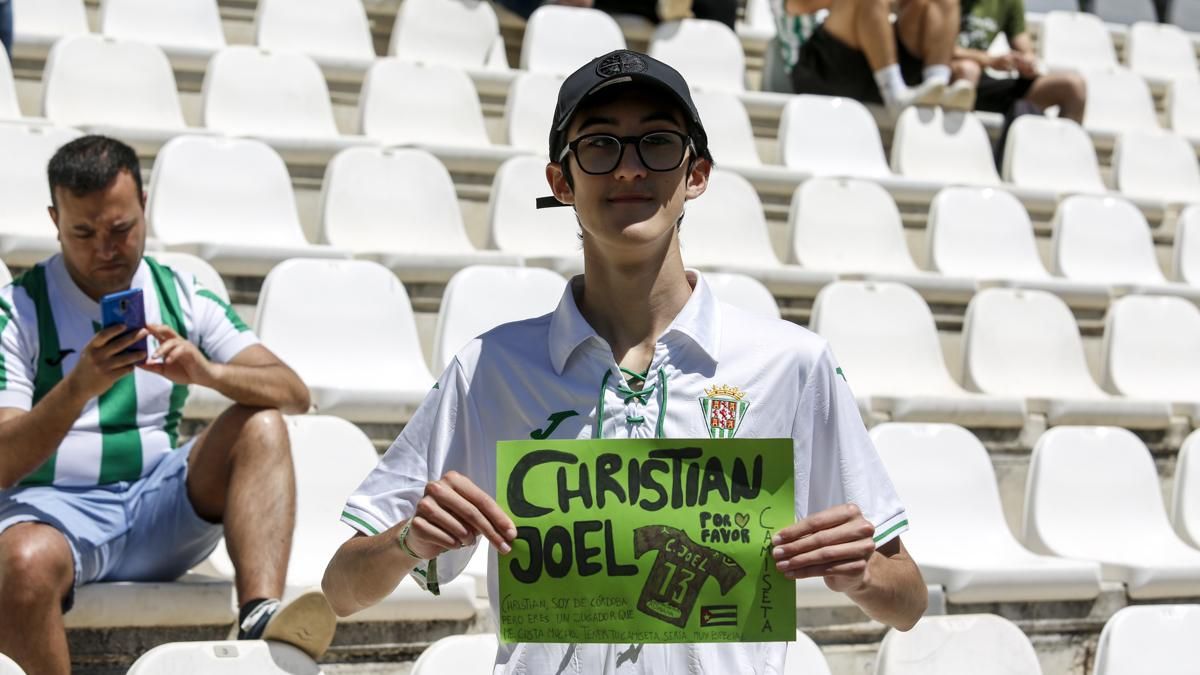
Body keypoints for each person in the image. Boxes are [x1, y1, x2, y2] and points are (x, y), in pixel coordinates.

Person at [322, 49, 927, 673]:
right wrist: (407, 542)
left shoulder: (793, 365)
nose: (630, 169)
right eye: (601, 146)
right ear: (562, 182)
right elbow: (341, 589)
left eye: (657, 143)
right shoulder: (490, 369)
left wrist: (860, 574)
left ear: (696, 174)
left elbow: (907, 601)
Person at [0, 136, 335, 675]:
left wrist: (208, 372)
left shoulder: (183, 293)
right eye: (83, 233)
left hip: (157, 508)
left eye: (121, 229)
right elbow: (3, 462)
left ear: (145, 207)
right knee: (21, 561)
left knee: (262, 423)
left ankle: (258, 616)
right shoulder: (18, 309)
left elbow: (294, 394)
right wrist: (78, 387)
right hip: (52, 513)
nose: (105, 248)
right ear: (54, 220)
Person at [788, 0, 977, 112]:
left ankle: (937, 88)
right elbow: (797, 5)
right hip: (825, 66)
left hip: (880, 61)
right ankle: (895, 97)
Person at [952, 0, 1086, 122]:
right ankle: (961, 146)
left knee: (1072, 86)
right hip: (945, 78)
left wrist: (1027, 63)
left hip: (984, 81)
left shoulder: (1010, 2)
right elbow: (938, 48)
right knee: (968, 70)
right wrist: (989, 60)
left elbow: (1026, 50)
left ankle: (1061, 147)